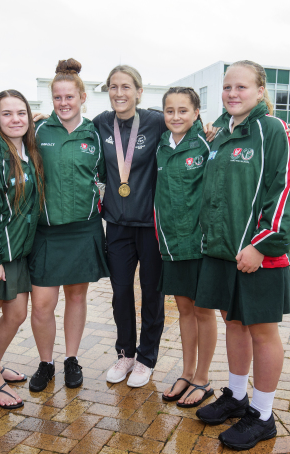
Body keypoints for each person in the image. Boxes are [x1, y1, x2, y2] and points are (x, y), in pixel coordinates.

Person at [194, 60, 290, 451]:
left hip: (258, 253)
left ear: (260, 91)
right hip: (224, 251)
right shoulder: (221, 132)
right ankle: (238, 396)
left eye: (241, 86)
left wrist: (262, 244)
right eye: (227, 87)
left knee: (262, 331)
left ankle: (263, 414)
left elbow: (285, 189)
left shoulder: (272, 130)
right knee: (233, 322)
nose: (232, 93)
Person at [93, 66, 215, 387]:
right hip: (117, 225)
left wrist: (210, 127)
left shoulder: (156, 120)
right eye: (114, 87)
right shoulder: (101, 123)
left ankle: (147, 357)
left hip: (151, 226)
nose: (119, 93)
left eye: (126, 87)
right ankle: (125, 353)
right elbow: (73, 129)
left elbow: (187, 121)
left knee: (152, 293)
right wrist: (41, 120)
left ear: (139, 91)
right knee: (121, 292)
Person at [27, 58, 109, 392]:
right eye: (57, 97)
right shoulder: (37, 131)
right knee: (42, 304)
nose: (63, 103)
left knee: (76, 297)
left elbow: (106, 176)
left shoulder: (96, 134)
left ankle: (71, 359)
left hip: (83, 229)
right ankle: (45, 362)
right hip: (46, 231)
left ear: (82, 97)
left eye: (69, 97)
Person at [0, 89, 45, 408]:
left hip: (19, 253)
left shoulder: (29, 154)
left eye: (21, 113)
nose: (15, 119)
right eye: (7, 114)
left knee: (16, 314)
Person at [154, 87, 217, 407]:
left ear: (196, 113)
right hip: (172, 244)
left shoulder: (208, 140)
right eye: (170, 110)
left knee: (203, 310)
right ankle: (187, 372)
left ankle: (203, 379)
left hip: (201, 243)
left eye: (183, 110)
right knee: (183, 310)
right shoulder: (160, 145)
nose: (175, 116)